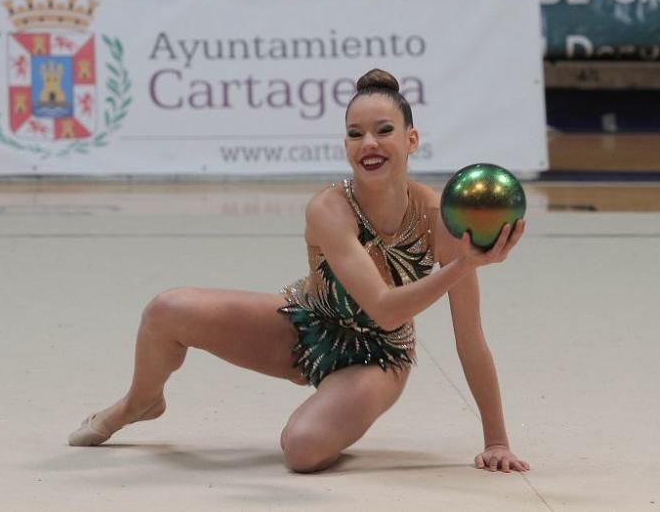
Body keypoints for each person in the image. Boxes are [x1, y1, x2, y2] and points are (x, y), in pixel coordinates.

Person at [68, 68, 530, 474]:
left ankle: (339, 405)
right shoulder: (329, 209)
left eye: (383, 130)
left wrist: (497, 442)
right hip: (305, 326)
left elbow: (467, 339)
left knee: (302, 450)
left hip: (378, 357)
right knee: (165, 311)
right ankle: (140, 402)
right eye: (355, 133)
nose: (368, 143)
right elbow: (385, 305)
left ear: (411, 139)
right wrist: (464, 266)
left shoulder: (437, 216)